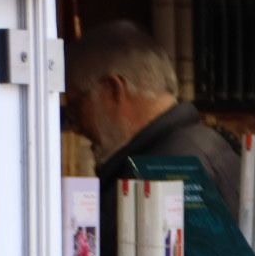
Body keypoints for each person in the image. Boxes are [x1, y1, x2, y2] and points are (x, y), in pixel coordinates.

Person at [65, 20, 241, 216]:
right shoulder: (209, 145)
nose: (76, 127)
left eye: (76, 107)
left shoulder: (160, 174)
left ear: (112, 89)